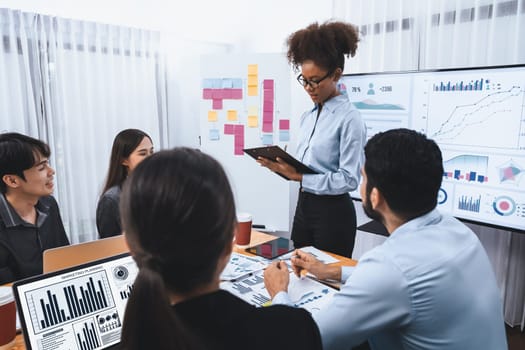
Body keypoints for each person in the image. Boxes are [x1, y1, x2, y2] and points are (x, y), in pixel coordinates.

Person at [264, 129, 508, 350]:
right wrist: (329, 271)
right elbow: (409, 281)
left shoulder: (391, 266)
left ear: (375, 196)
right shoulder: (458, 230)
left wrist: (279, 293)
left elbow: (307, 340)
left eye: (362, 178)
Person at [119, 147, 322, 350]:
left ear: (130, 246)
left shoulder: (138, 333)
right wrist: (281, 298)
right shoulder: (295, 329)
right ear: (229, 240)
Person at [257, 21, 366, 257]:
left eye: (315, 80)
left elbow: (349, 180)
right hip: (304, 207)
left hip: (333, 214)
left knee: (326, 281)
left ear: (336, 74)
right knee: (298, 271)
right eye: (304, 80)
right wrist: (281, 167)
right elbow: (308, 168)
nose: (308, 87)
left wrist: (300, 177)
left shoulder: (350, 119)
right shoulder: (307, 117)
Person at [0, 132, 69, 284]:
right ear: (12, 180)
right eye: (41, 167)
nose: (51, 172)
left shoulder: (49, 205)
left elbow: (65, 257)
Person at [96, 129, 153, 238]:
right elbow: (111, 250)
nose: (150, 158)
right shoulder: (112, 200)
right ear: (124, 160)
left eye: (151, 152)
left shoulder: (155, 190)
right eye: (143, 153)